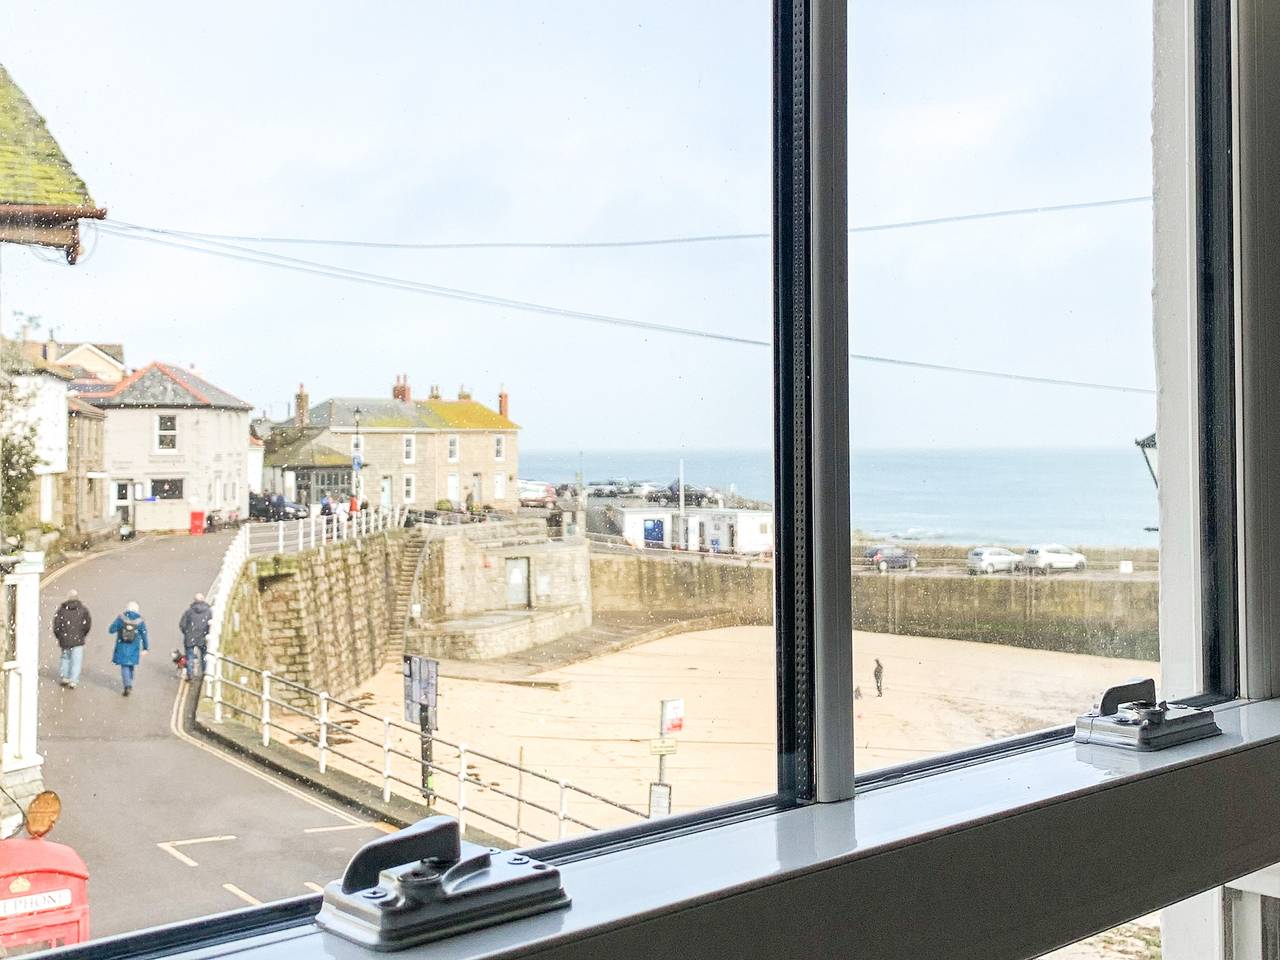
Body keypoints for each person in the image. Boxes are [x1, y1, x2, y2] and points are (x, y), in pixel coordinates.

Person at [108, 601, 149, 696]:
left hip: (122, 646)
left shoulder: (121, 618)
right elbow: (144, 634)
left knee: (124, 666)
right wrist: (146, 647)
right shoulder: (140, 621)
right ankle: (129, 682)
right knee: (131, 665)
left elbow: (111, 630)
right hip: (134, 647)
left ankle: (127, 685)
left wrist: (119, 628)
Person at [52, 590, 91, 689]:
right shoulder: (83, 610)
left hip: (65, 639)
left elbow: (56, 626)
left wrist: (60, 636)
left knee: (65, 658)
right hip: (78, 640)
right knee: (76, 661)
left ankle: (65, 677)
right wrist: (82, 634)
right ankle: (73, 681)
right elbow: (87, 625)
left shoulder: (61, 610)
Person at [178, 593, 213, 682]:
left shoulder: (189, 611)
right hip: (203, 637)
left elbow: (182, 624)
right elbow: (212, 625)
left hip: (190, 638)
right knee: (204, 656)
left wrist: (187, 633)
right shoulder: (209, 611)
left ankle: (190, 676)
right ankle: (204, 673)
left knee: (190, 657)